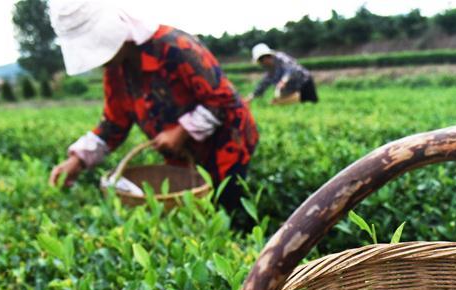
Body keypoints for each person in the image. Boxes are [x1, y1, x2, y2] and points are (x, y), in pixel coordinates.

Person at [48, 0, 258, 212]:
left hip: (226, 145)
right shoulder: (115, 72)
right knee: (190, 212)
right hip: (184, 158)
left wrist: (182, 131)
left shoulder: (175, 48)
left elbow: (224, 100)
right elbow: (114, 124)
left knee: (227, 206)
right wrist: (78, 160)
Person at [245, 43, 317, 106]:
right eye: (261, 60)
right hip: (293, 90)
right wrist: (251, 97)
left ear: (269, 55)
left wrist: (283, 81)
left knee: (309, 102)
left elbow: (291, 68)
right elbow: (262, 86)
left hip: (305, 83)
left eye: (266, 57)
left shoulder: (281, 58)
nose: (265, 61)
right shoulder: (269, 72)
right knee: (276, 102)